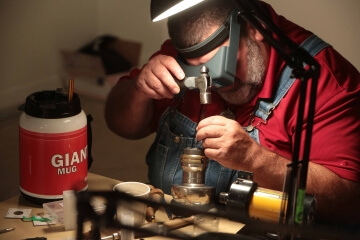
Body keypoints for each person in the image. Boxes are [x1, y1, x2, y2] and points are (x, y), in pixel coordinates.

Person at [105, 0, 360, 227]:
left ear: (255, 28)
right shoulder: (181, 57)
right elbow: (121, 125)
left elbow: (350, 201)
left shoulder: (322, 78)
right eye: (199, 73)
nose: (217, 85)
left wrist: (254, 159)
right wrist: (140, 90)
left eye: (223, 66)